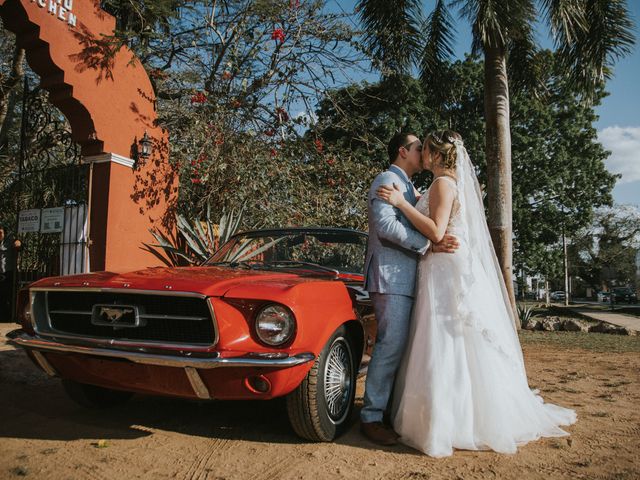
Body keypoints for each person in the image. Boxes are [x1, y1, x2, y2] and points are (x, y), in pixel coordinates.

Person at [376, 130, 577, 456]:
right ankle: (459, 415)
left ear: (437, 154)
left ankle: (450, 421)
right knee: (453, 340)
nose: (422, 154)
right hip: (444, 263)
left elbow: (438, 230)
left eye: (425, 149)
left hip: (444, 269)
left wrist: (400, 202)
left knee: (445, 339)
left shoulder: (443, 183)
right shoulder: (447, 183)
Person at [360, 132, 459, 446]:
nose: (424, 152)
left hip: (409, 277)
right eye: (419, 148)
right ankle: (371, 417)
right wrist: (428, 245)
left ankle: (388, 410)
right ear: (403, 151)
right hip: (390, 276)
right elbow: (386, 226)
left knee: (401, 348)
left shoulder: (408, 186)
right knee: (390, 347)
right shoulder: (386, 179)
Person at [0, 225, 21, 321]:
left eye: (0, 233)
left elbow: (19, 245)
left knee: (9, 297)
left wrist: (19, 242)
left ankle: (10, 318)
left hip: (8, 273)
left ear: (4, 233)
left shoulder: (9, 241)